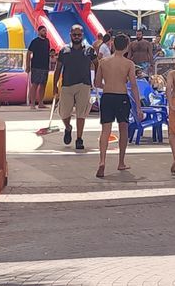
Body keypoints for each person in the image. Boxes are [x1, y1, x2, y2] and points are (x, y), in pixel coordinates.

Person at [92, 33, 140, 178]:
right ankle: (121, 162)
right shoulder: (129, 64)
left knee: (105, 130)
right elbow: (134, 85)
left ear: (113, 45)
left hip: (107, 96)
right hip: (121, 97)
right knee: (123, 129)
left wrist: (108, 85)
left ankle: (102, 161)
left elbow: (97, 83)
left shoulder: (104, 62)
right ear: (126, 47)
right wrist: (138, 106)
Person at [55, 28, 94, 152]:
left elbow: (97, 63)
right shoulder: (64, 50)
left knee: (81, 113)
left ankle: (79, 139)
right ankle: (68, 127)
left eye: (79, 34)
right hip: (67, 85)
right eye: (74, 34)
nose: (77, 36)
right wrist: (54, 85)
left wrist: (97, 79)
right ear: (70, 35)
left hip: (84, 84)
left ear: (82, 35)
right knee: (64, 113)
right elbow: (58, 68)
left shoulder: (89, 50)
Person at [26, 28, 53, 109]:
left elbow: (48, 53)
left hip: (45, 66)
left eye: (46, 31)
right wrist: (28, 65)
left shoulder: (47, 41)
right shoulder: (35, 41)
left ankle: (41, 102)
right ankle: (32, 103)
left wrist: (49, 64)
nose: (45, 32)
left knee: (43, 84)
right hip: (36, 66)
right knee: (35, 84)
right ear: (39, 32)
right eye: (43, 31)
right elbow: (28, 53)